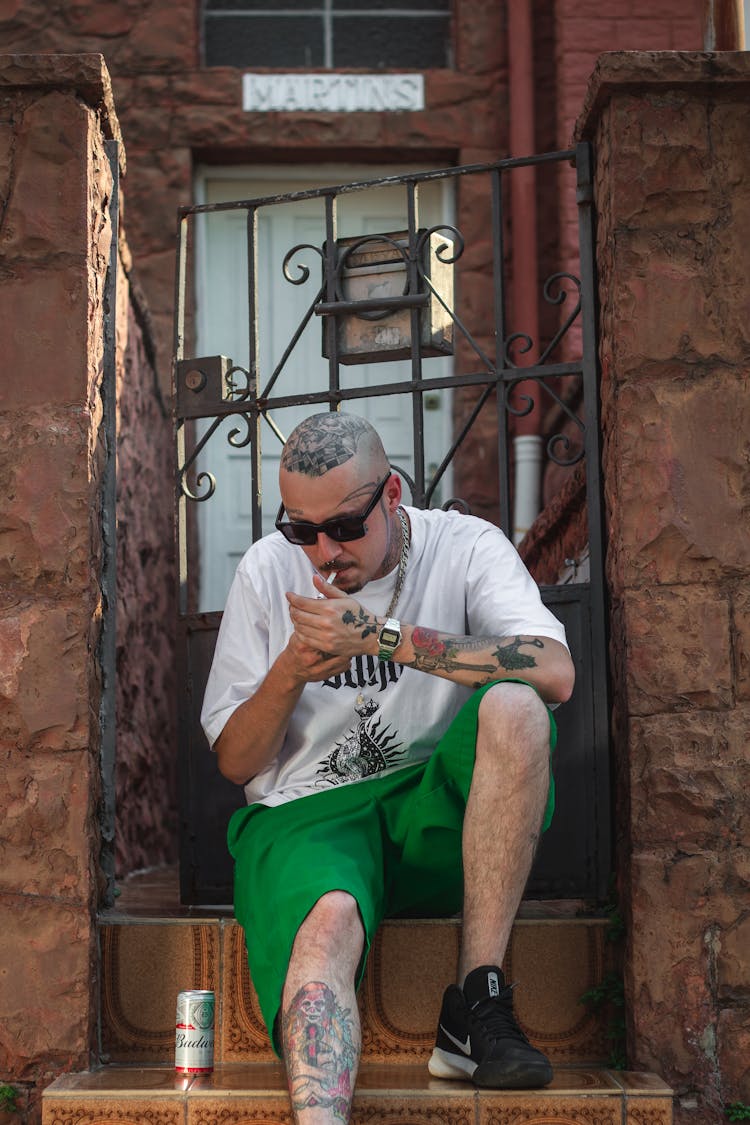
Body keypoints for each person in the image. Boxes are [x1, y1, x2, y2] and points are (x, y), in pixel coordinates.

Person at [201, 411, 575, 1123]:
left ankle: (477, 1002)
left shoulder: (464, 547)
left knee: (519, 708)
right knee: (328, 920)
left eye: (344, 525)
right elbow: (235, 761)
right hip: (310, 819)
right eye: (300, 529)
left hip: (432, 815)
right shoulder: (265, 571)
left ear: (393, 494)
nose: (323, 550)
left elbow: (555, 669)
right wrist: (291, 670)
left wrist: (386, 638)